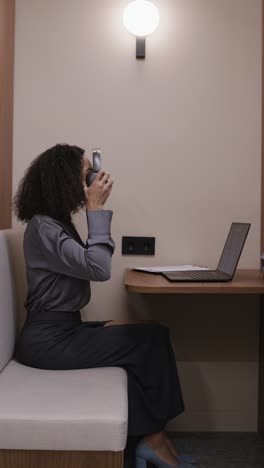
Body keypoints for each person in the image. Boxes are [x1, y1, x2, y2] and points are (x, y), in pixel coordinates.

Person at [12, 143, 195, 468]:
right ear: (64, 181)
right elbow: (98, 268)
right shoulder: (43, 227)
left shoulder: (54, 223)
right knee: (148, 344)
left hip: (63, 329)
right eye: (86, 174)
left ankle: (151, 440)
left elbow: (89, 264)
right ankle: (153, 442)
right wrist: (96, 209)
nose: (93, 179)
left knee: (153, 336)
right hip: (47, 342)